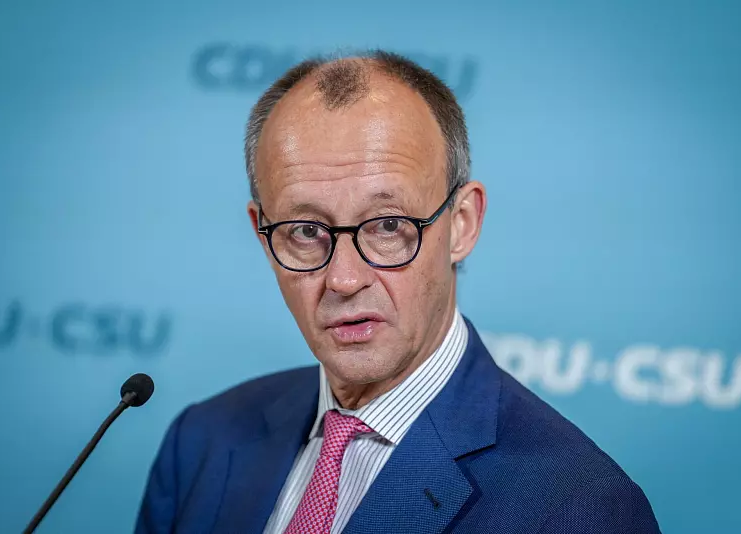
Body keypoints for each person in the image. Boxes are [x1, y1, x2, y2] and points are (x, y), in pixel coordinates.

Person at [135, 50, 660, 534]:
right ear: (261, 232)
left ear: (462, 224)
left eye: (388, 225)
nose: (344, 279)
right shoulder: (200, 443)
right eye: (305, 230)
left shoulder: (580, 509)